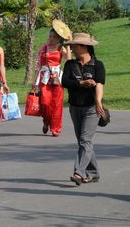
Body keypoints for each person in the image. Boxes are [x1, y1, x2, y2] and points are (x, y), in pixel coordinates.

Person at [62, 33, 105, 185]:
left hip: (91, 108)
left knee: (85, 140)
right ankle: (94, 173)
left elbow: (100, 84)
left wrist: (98, 101)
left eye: (74, 46)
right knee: (83, 141)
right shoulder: (69, 65)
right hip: (74, 107)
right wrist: (82, 83)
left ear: (84, 47)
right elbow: (64, 82)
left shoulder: (97, 65)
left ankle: (78, 172)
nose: (72, 48)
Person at [33, 28, 71, 137]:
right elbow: (37, 65)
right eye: (50, 36)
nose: (51, 39)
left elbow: (68, 60)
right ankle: (46, 121)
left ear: (58, 38)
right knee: (45, 102)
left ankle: (55, 128)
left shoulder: (60, 48)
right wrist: (34, 81)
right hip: (44, 78)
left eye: (54, 37)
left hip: (57, 79)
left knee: (57, 104)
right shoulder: (43, 48)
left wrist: (68, 44)